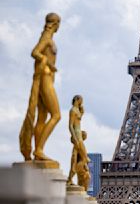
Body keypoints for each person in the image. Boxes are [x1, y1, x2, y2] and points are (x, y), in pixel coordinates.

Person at [19, 13, 61, 161]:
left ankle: (38, 151)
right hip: (45, 77)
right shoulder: (47, 37)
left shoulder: (48, 37)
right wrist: (49, 64)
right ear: (56, 23)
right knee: (57, 115)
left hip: (47, 77)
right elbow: (35, 52)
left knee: (42, 116)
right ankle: (39, 149)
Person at [67, 95, 90, 185]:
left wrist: (82, 113)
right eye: (81, 100)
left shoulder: (77, 110)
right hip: (77, 136)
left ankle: (71, 177)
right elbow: (70, 125)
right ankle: (72, 176)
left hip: (79, 135)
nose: (82, 102)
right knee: (85, 158)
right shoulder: (72, 110)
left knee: (77, 157)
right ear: (77, 99)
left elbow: (78, 122)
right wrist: (75, 138)